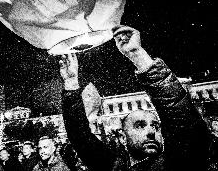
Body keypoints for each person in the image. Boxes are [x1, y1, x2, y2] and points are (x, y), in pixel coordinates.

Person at [59, 25, 211, 171]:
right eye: (140, 125)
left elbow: (184, 123)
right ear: (123, 137)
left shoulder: (179, 164)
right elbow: (80, 137)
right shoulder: (113, 167)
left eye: (156, 126)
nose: (151, 131)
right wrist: (71, 83)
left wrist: (138, 55)